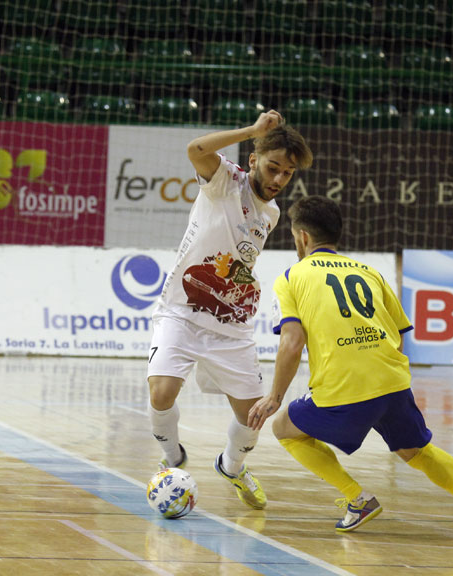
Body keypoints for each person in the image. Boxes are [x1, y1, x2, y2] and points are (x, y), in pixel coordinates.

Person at [247, 195, 453, 537]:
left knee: (283, 428)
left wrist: (274, 396)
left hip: (345, 387)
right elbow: (399, 337)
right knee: (416, 450)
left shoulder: (291, 276)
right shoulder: (370, 272)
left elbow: (292, 342)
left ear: (302, 237)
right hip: (393, 381)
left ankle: (358, 499)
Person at [148, 110, 312, 509]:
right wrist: (253, 132)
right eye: (273, 168)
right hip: (182, 311)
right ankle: (172, 461)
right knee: (162, 391)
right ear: (254, 160)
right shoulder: (224, 180)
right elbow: (194, 148)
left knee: (253, 416)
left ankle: (233, 466)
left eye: (287, 174)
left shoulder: (271, 214)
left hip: (231, 323)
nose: (278, 180)